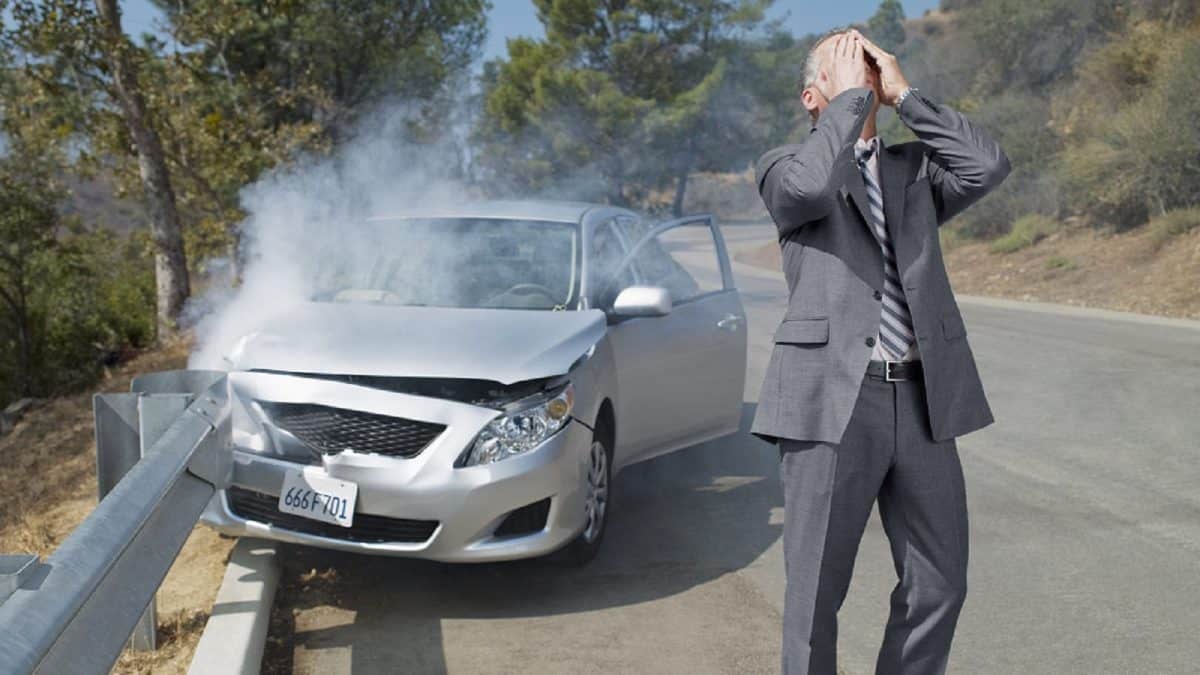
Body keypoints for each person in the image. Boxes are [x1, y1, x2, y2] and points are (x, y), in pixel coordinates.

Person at [750, 27, 1011, 675]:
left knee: (939, 582)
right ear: (812, 96)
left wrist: (906, 95)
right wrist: (846, 104)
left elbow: (987, 165)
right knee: (815, 597)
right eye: (844, 71)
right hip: (831, 400)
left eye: (868, 67)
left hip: (924, 401)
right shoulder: (783, 166)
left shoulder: (914, 170)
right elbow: (811, 192)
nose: (861, 77)